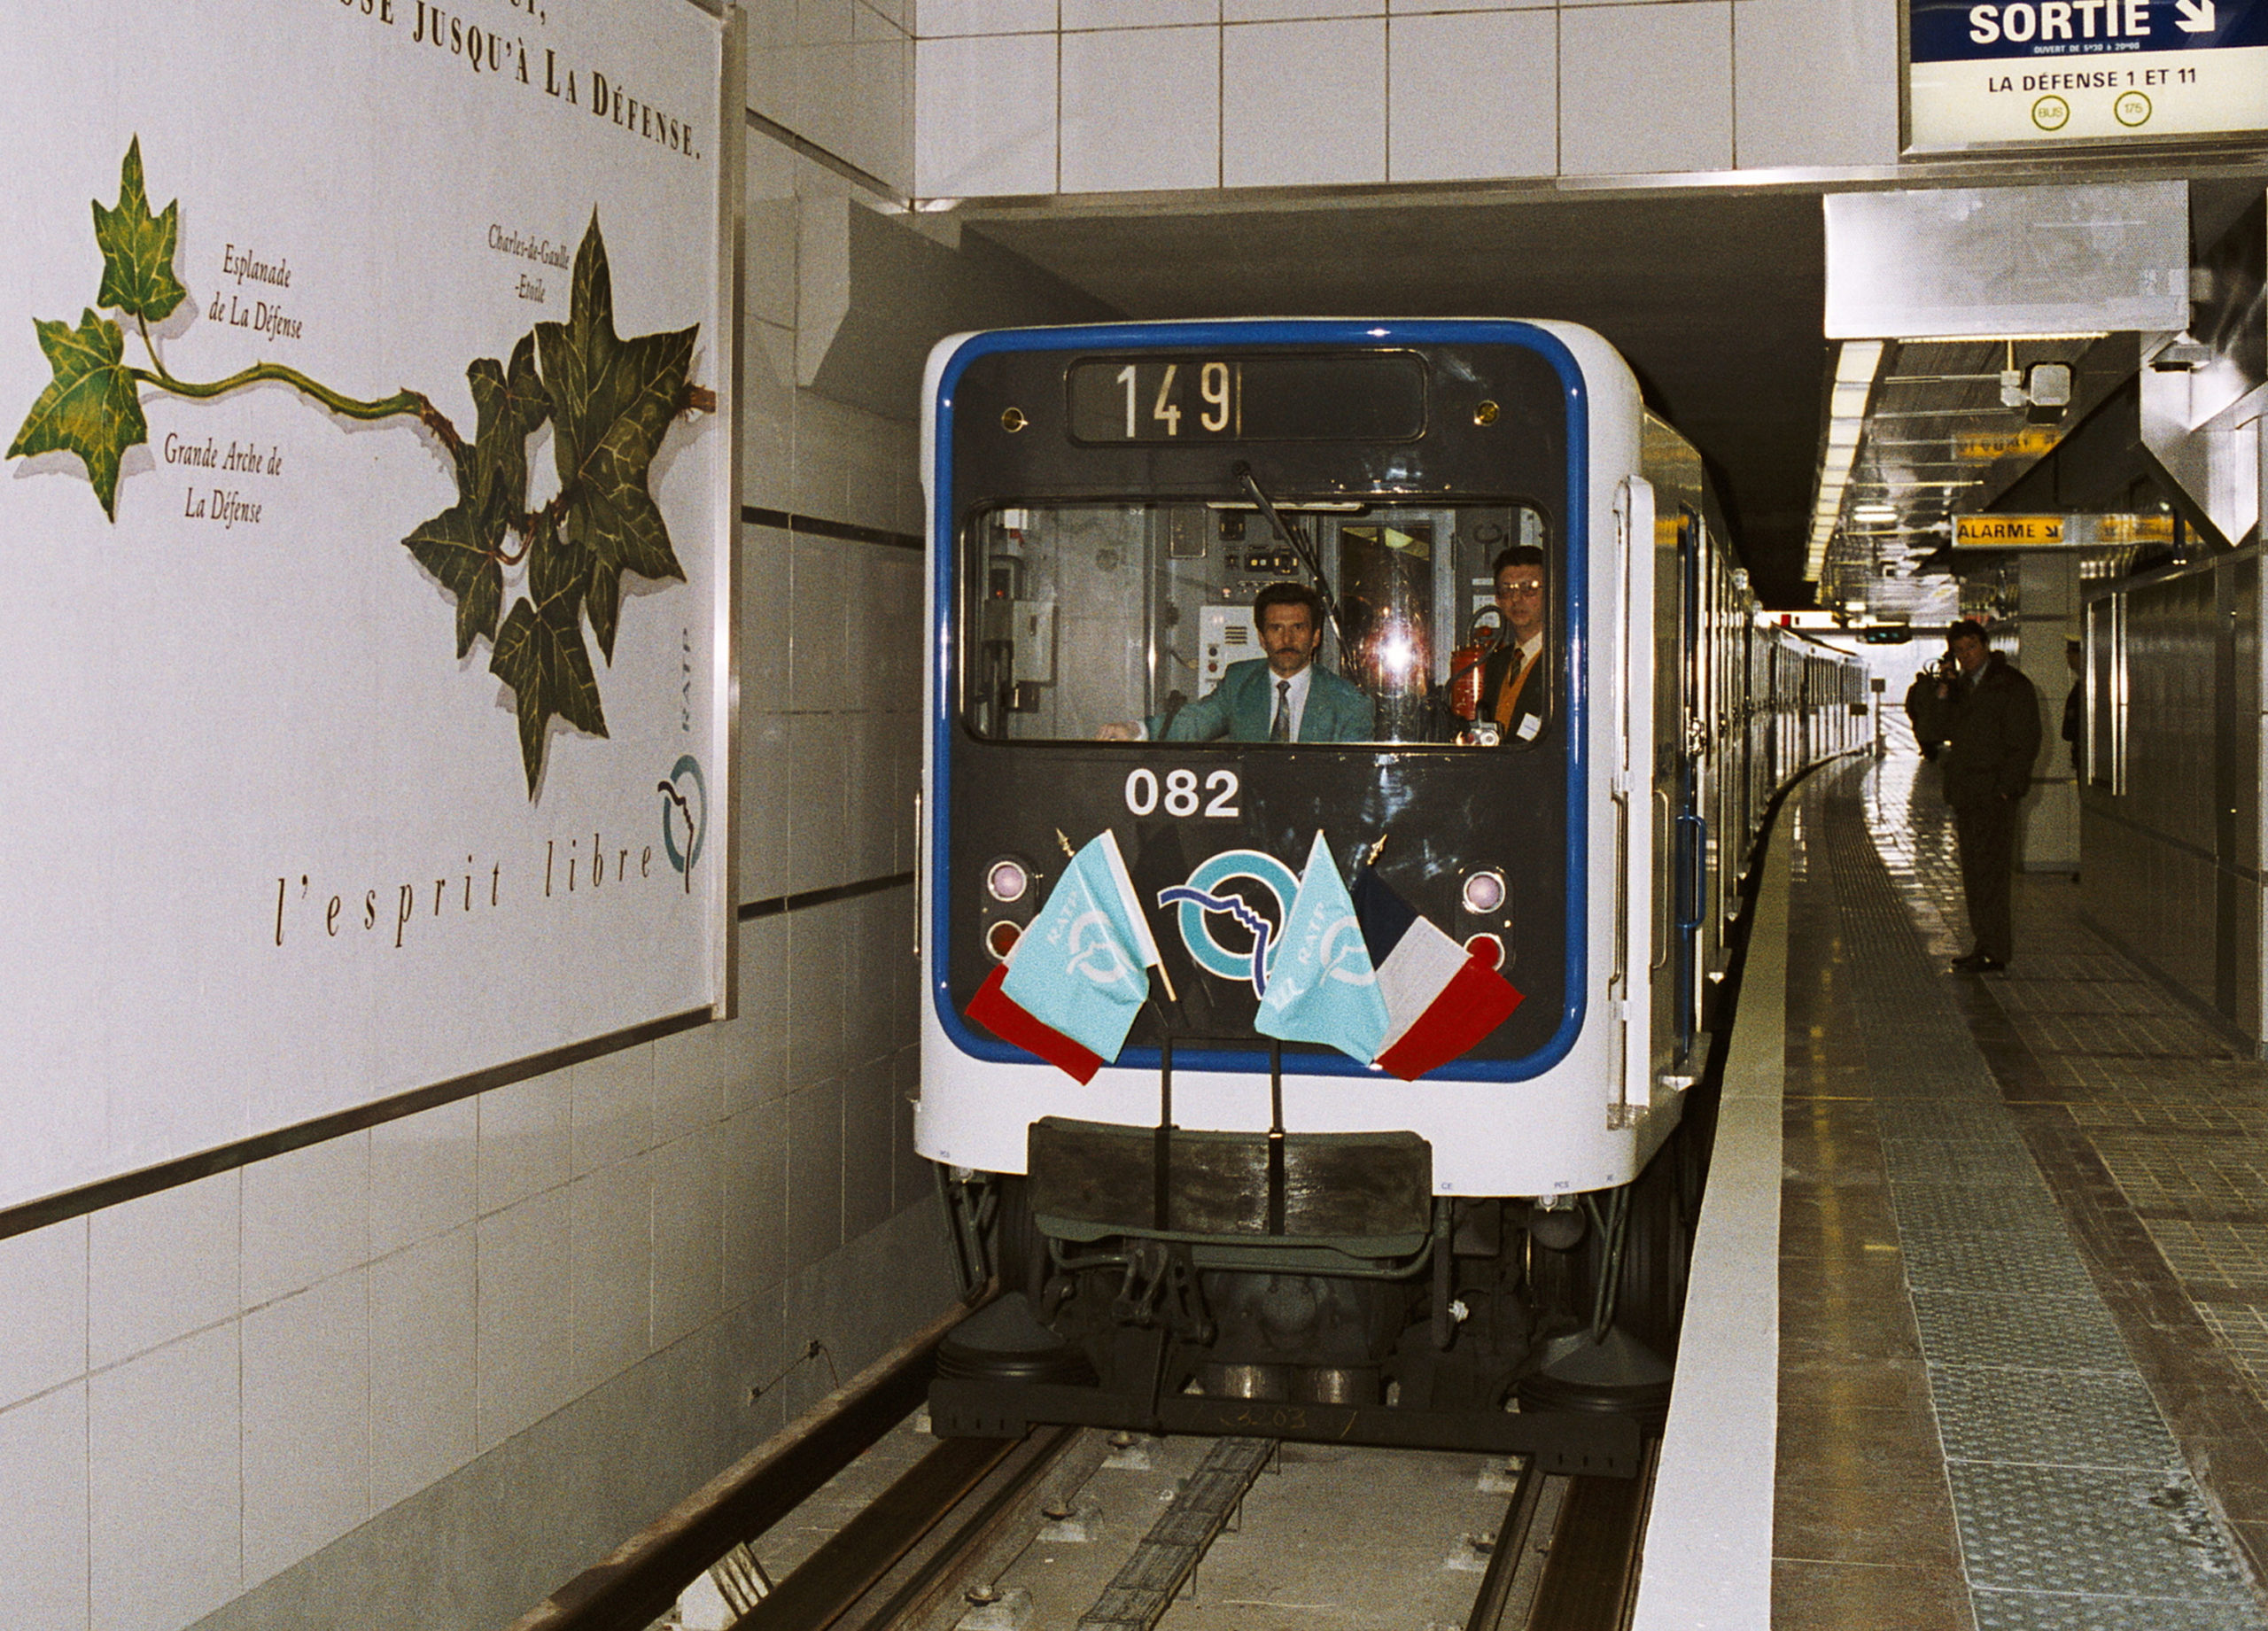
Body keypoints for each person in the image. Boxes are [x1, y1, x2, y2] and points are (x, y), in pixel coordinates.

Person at [1097, 580, 1373, 744]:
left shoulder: (1349, 703)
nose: (1287, 638)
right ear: (1262, 638)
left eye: (1298, 628)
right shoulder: (1240, 682)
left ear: (1315, 637)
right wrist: (1136, 730)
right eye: (1276, 629)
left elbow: (1353, 782)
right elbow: (1194, 722)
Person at [1933, 619, 2041, 973]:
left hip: (1994, 795)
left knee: (1991, 874)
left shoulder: (2010, 686)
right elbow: (1938, 730)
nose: (1966, 656)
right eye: (1959, 651)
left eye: (1971, 648)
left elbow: (2025, 742)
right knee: (1975, 874)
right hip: (1967, 794)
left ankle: (1995, 950)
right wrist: (1944, 693)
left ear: (1985, 646)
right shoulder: (1962, 688)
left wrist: (2008, 790)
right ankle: (1985, 945)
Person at [1473, 545, 1550, 748]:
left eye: (1529, 588)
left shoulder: (1561, 661)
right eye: (1507, 590)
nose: (1516, 599)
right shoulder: (1498, 662)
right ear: (1497, 599)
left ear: (1551, 592)